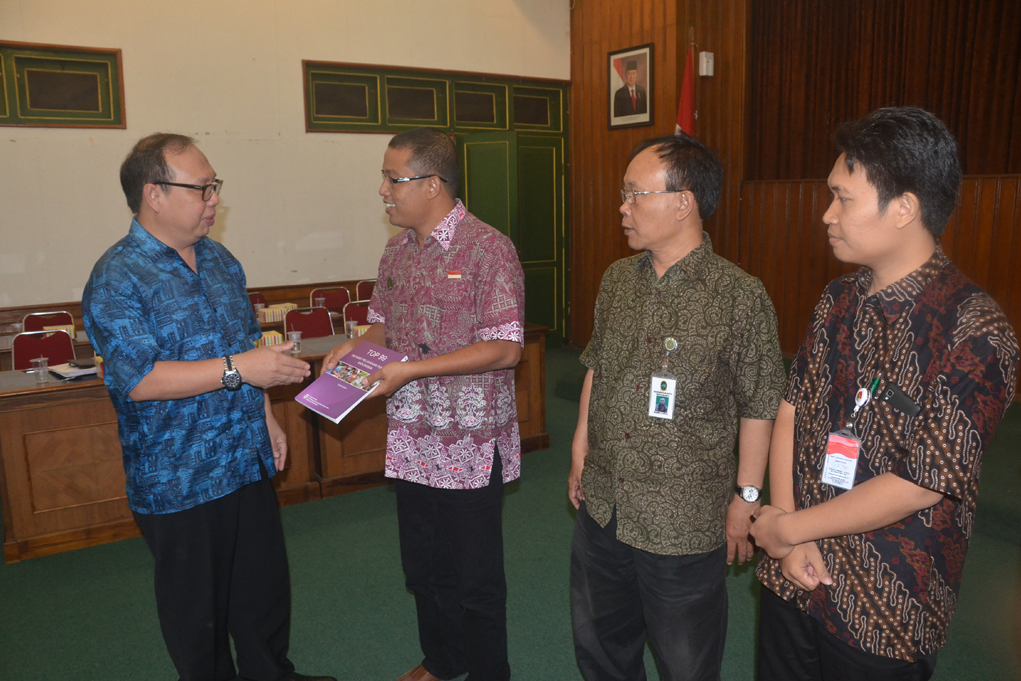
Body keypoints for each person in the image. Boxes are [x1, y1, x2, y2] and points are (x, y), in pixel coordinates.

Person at [750, 107, 1019, 681]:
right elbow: (793, 405)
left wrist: (786, 527)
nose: (826, 214)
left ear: (905, 208)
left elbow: (924, 482)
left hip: (883, 604)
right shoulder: (837, 298)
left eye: (843, 198)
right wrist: (786, 528)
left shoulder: (977, 332)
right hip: (793, 571)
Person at [82, 133, 335, 681]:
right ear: (154, 194)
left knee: (263, 590)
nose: (214, 198)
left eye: (213, 186)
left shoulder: (221, 261)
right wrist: (240, 370)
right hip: (180, 478)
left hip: (244, 459)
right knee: (197, 614)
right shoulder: (116, 277)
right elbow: (138, 379)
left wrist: (265, 416)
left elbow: (245, 347)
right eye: (202, 188)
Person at [568, 133, 785, 681]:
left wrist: (748, 497)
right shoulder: (618, 280)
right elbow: (598, 365)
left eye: (635, 194)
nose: (623, 207)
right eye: (624, 194)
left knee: (685, 661)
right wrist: (579, 447)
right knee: (600, 645)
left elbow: (760, 403)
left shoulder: (739, 295)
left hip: (682, 516)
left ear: (683, 201)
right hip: (605, 501)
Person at [322, 128, 525, 681]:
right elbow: (383, 328)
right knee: (424, 569)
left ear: (432, 184)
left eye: (393, 178)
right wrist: (351, 350)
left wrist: (410, 369)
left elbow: (506, 347)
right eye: (384, 178)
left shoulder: (489, 249)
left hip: (471, 444)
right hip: (412, 438)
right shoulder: (396, 251)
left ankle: (487, 672)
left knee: (476, 579)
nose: (383, 190)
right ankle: (443, 661)